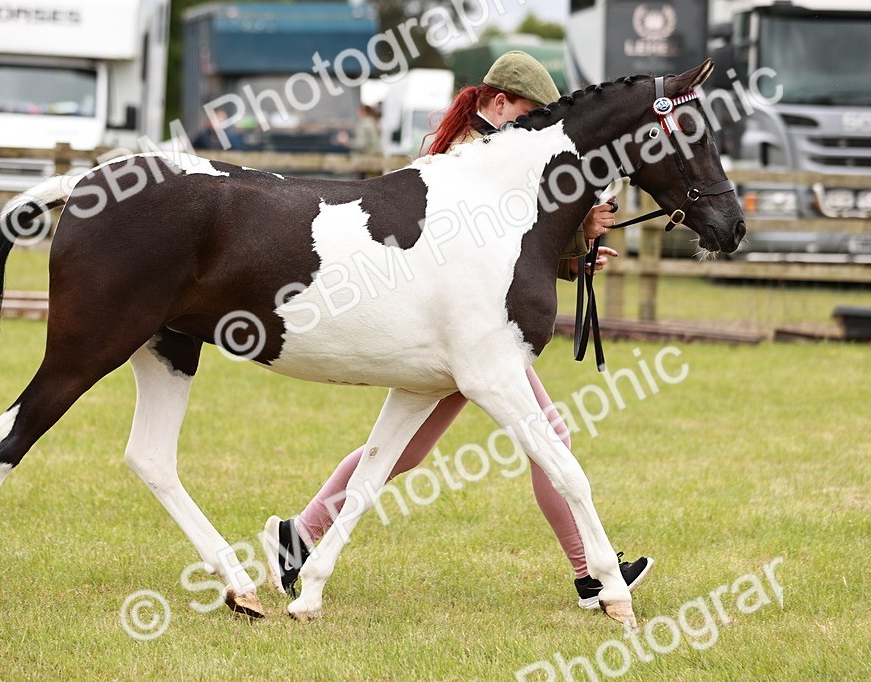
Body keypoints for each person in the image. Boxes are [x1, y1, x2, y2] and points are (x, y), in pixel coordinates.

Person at [263, 51, 652, 610]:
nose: (536, 127)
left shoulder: (491, 155)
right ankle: (591, 573)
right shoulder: (472, 157)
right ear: (500, 103)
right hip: (462, 332)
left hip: (464, 330)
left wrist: (574, 254)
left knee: (406, 451)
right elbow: (485, 245)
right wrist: (579, 231)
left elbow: (512, 255)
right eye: (530, 113)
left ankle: (297, 536)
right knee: (548, 437)